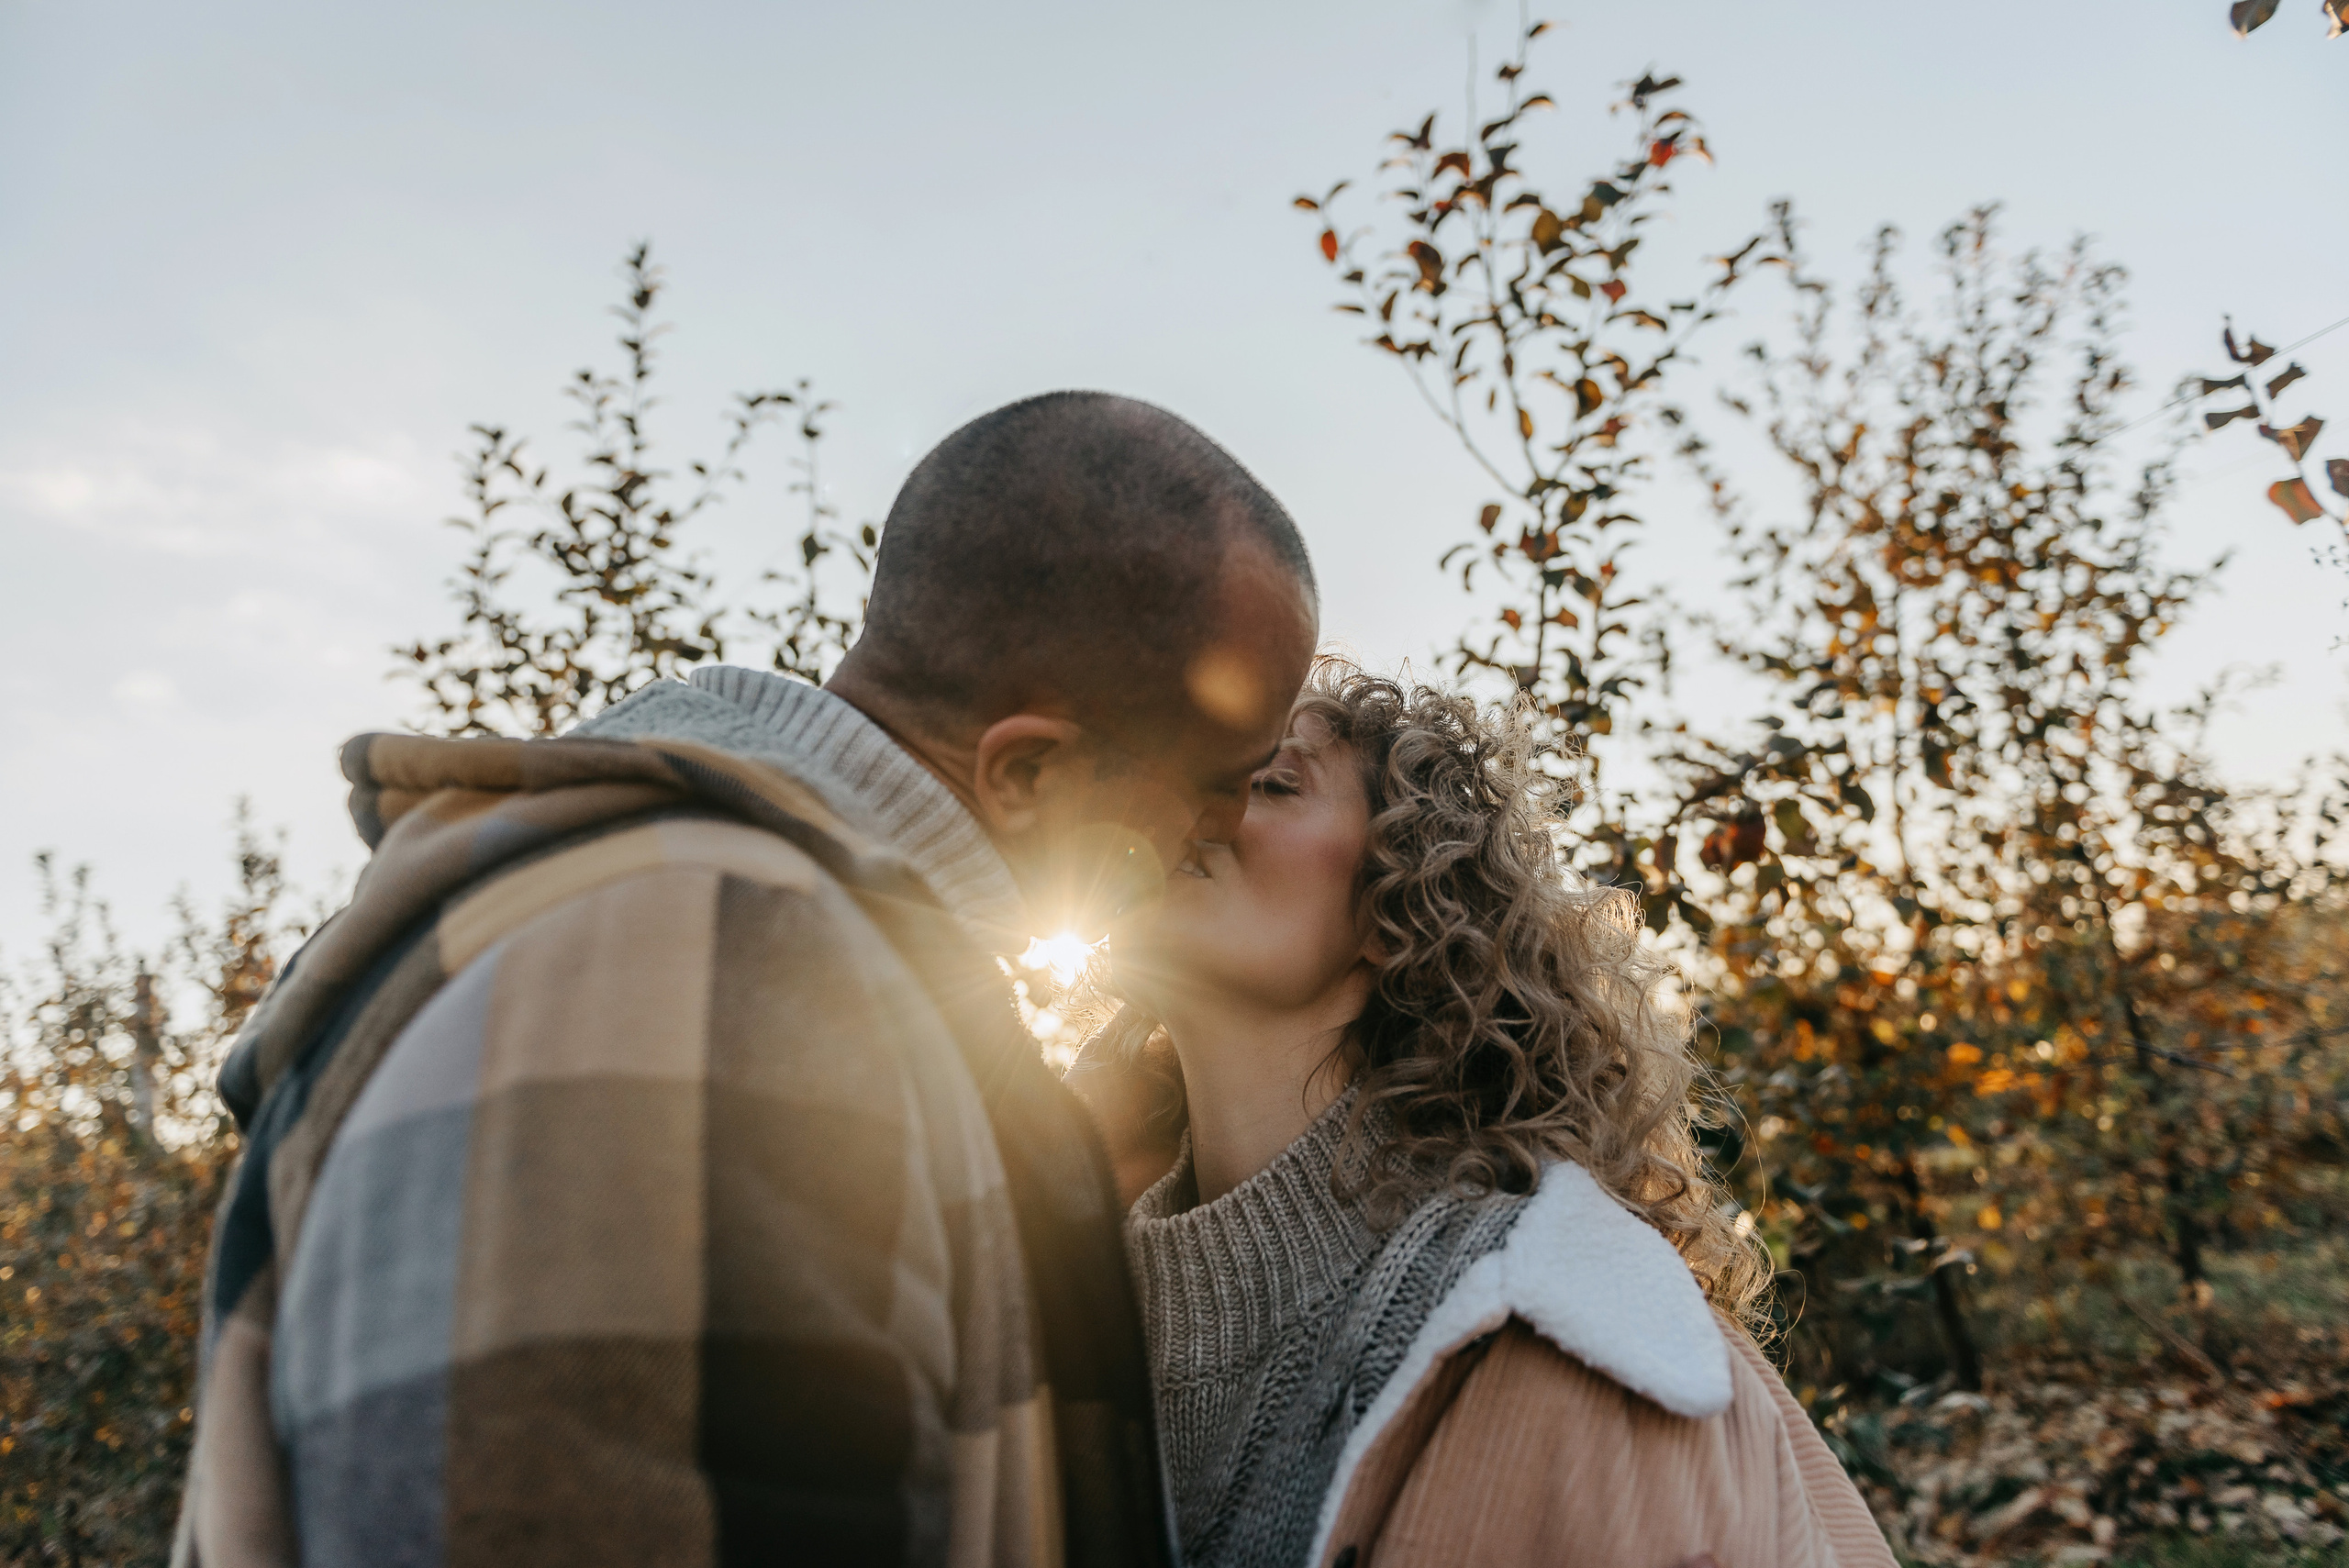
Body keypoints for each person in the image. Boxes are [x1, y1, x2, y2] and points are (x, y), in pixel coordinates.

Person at [173, 392, 1318, 1568]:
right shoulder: (708, 962)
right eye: (1222, 777)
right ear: (1027, 771)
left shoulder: (764, 949)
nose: (1228, 824)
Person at [1067, 663, 1898, 1568]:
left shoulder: (1567, 1324)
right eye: (1185, 780)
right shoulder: (1044, 1293)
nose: (1187, 811)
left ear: (1397, 905)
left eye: (1270, 782)